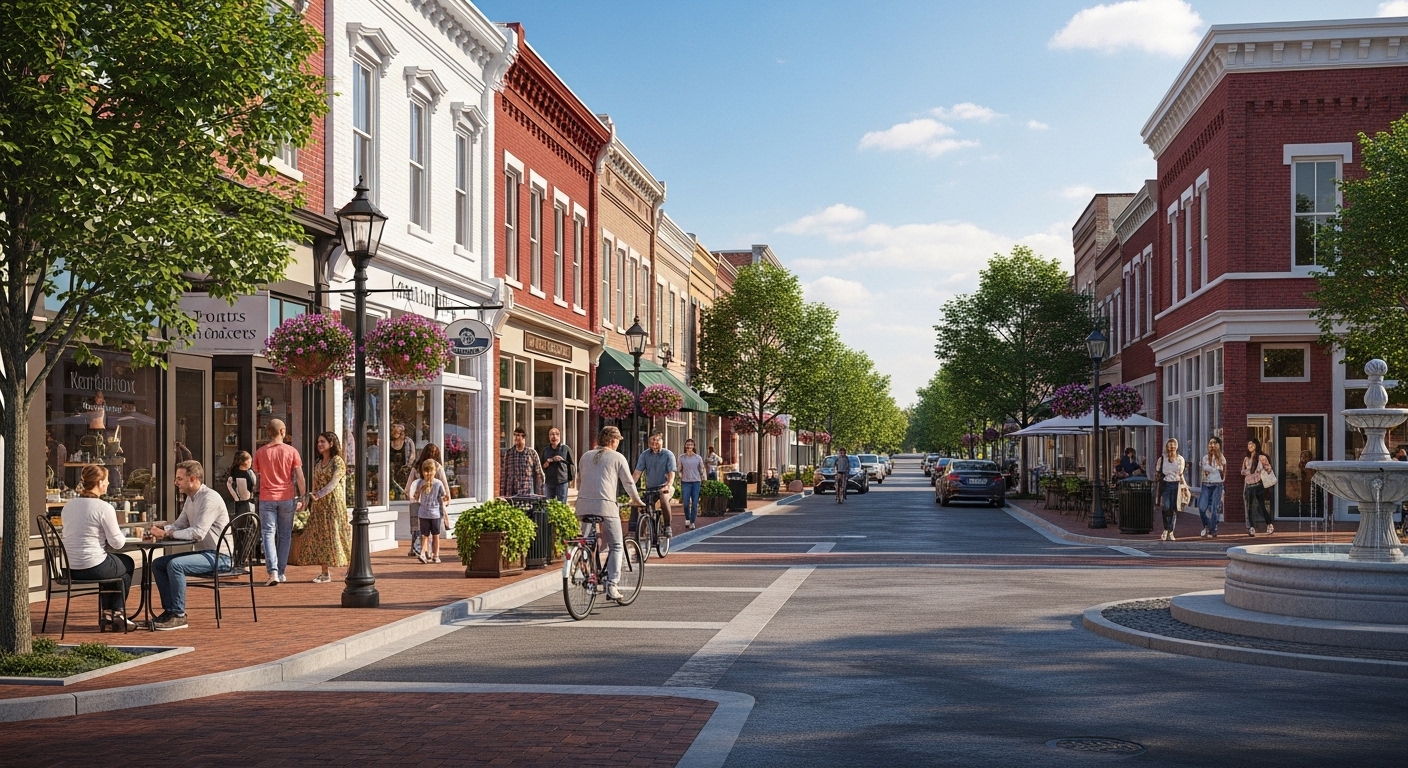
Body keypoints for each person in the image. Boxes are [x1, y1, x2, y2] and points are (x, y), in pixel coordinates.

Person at [149, 461, 231, 631]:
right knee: (158, 564)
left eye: (179, 478)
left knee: (176, 565)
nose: (175, 482)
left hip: (220, 556)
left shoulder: (209, 498)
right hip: (204, 553)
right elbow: (180, 524)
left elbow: (197, 533)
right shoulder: (191, 498)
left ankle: (179, 616)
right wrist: (162, 529)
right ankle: (170, 611)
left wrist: (166, 534)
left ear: (192, 479)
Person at [60, 465, 134, 631]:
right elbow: (117, 543)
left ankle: (107, 615)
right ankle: (118, 614)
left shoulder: (68, 506)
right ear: (99, 482)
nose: (108, 484)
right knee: (127, 564)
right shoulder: (104, 508)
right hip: (93, 567)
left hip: (68, 568)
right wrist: (123, 534)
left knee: (111, 566)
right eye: (106, 480)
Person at [575, 426, 644, 601]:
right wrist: (637, 501)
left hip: (582, 505)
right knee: (617, 545)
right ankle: (612, 585)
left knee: (587, 541)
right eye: (618, 441)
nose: (618, 445)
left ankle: (588, 574)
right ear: (613, 441)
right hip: (606, 506)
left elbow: (582, 479)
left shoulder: (585, 456)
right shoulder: (617, 457)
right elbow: (629, 483)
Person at [253, 418, 305, 587]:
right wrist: (303, 496)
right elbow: (300, 477)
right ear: (282, 431)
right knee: (284, 535)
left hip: (267, 497)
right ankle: (281, 572)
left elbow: (257, 475)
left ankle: (273, 571)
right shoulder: (291, 451)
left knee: (268, 533)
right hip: (286, 496)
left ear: (268, 432)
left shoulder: (261, 452)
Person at [294, 432, 352, 583]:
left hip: (334, 504)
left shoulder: (337, 461)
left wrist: (320, 494)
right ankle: (325, 572)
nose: (319, 444)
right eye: (318, 442)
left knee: (339, 533)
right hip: (320, 506)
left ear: (331, 444)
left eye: (322, 442)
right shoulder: (318, 462)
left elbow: (334, 482)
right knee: (321, 537)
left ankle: (351, 568)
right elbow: (314, 483)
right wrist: (308, 500)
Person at [407, 444, 450, 558]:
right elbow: (445, 487)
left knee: (418, 528)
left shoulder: (416, 467)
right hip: (433, 504)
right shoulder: (437, 467)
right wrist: (445, 501)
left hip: (416, 503)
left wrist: (413, 496)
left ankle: (416, 550)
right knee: (432, 530)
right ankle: (430, 553)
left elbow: (408, 488)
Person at [634, 433, 677, 537]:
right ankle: (639, 533)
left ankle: (667, 526)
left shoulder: (668, 454)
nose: (654, 443)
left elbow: (672, 474)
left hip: (665, 486)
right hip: (651, 488)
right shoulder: (644, 455)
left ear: (662, 442)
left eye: (657, 440)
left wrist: (667, 485)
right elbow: (637, 473)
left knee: (663, 498)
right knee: (639, 504)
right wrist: (630, 487)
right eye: (652, 441)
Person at [1155, 438, 1187, 541]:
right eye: (1170, 445)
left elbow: (1181, 473)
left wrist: (1185, 487)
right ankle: (1166, 528)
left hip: (1176, 484)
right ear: (1166, 447)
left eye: (1174, 445)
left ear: (1177, 447)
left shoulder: (1180, 459)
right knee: (1166, 507)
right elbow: (1157, 472)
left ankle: (1171, 531)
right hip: (1165, 484)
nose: (1172, 447)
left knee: (1174, 509)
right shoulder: (1162, 459)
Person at [1242, 438, 1275, 537]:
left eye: (1252, 444)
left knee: (1261, 506)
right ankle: (1251, 528)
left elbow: (1269, 469)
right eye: (1248, 445)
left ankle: (1269, 524)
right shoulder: (1246, 459)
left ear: (1256, 445)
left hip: (1258, 485)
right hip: (1248, 485)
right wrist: (1248, 472)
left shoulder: (1262, 457)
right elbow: (1242, 471)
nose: (1250, 446)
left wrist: (1261, 470)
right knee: (1249, 507)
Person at [500, 427, 545, 497]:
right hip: (512, 491)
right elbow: (504, 474)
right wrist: (503, 494)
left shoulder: (531, 453)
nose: (515, 438)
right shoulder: (509, 453)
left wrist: (541, 492)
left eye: (518, 435)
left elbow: (539, 473)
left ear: (523, 438)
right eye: (514, 435)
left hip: (527, 491)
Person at [1198, 437, 1226, 539]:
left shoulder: (1221, 458)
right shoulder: (1205, 458)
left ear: (1218, 445)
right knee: (1202, 508)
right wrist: (1212, 471)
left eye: (1214, 443)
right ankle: (1207, 524)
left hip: (1217, 485)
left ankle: (1213, 530)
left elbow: (1224, 471)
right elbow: (1204, 469)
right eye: (1210, 443)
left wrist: (1222, 480)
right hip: (1206, 484)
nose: (1212, 445)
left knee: (1214, 508)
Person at [540, 427, 575, 503]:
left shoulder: (566, 449)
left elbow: (571, 464)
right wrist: (548, 461)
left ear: (560, 437)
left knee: (562, 504)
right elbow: (542, 466)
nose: (554, 436)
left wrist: (562, 460)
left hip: (562, 481)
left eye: (557, 434)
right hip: (549, 481)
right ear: (549, 437)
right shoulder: (546, 450)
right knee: (548, 505)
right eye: (552, 434)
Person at [677, 439, 705, 531]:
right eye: (688, 444)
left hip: (696, 482)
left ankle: (692, 522)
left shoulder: (698, 458)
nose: (689, 446)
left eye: (691, 444)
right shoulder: (681, 457)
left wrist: (704, 479)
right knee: (685, 503)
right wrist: (681, 476)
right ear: (685, 446)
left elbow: (702, 469)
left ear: (693, 446)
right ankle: (687, 518)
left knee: (694, 503)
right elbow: (679, 469)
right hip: (685, 482)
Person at [226, 451, 257, 519]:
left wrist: (236, 498)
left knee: (241, 517)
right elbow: (253, 484)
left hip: (240, 500)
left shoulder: (234, 471)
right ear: (244, 462)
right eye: (249, 462)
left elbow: (229, 485)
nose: (250, 464)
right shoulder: (249, 473)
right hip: (248, 500)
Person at [388, 423, 415, 499]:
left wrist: (408, 466)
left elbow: (412, 455)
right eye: (393, 432)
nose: (394, 434)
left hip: (404, 469)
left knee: (404, 487)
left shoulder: (408, 441)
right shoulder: (389, 441)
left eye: (396, 432)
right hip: (391, 470)